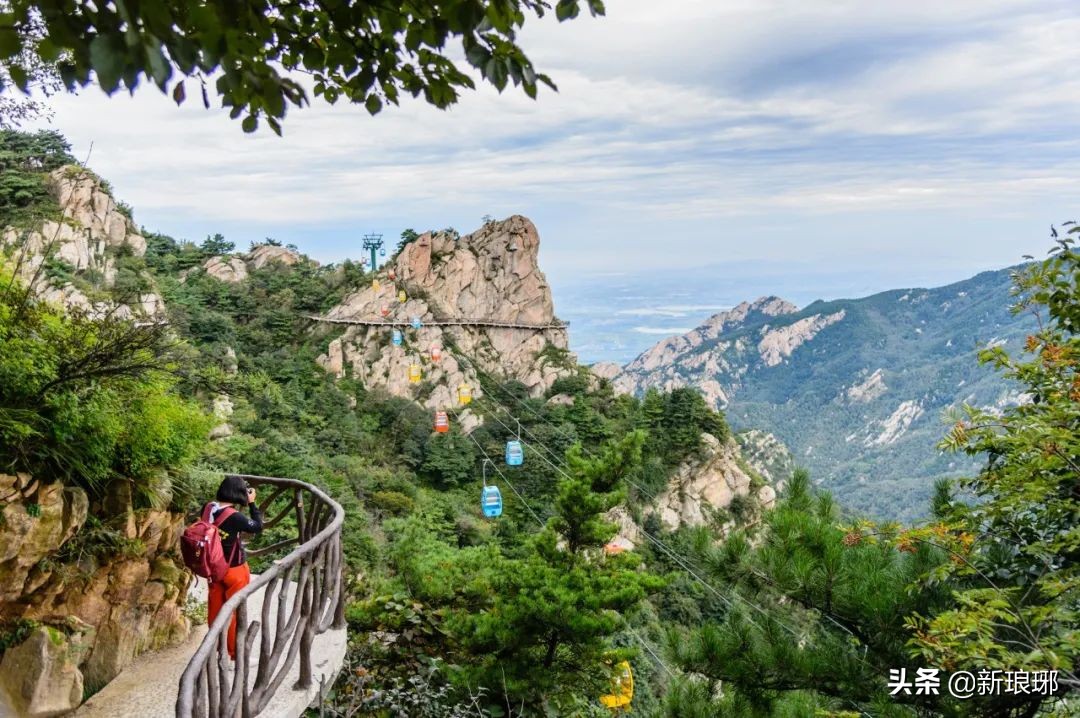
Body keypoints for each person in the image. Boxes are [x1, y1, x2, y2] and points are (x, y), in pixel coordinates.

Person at [205, 476, 263, 659]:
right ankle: (231, 654)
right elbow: (257, 526)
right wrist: (252, 504)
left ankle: (214, 648)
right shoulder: (235, 516)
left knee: (215, 610)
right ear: (240, 493)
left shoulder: (208, 509)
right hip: (234, 570)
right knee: (233, 613)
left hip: (213, 568)